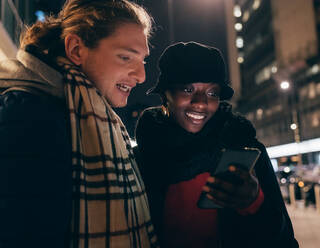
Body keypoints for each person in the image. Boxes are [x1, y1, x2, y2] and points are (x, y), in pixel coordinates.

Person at [0, 0, 158, 247]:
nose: (141, 76)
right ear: (76, 50)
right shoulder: (29, 116)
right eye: (126, 57)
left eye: (143, 61)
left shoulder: (89, 113)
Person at [135, 41, 299, 248]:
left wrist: (253, 202)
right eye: (187, 89)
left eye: (212, 93)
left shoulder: (245, 149)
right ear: (165, 95)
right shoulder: (143, 158)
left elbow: (283, 240)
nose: (201, 102)